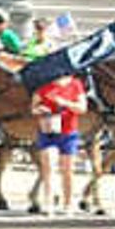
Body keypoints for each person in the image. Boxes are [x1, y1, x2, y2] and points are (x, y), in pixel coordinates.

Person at [32, 62, 87, 214]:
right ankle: (48, 202)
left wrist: (65, 103)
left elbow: (82, 108)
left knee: (68, 169)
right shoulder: (44, 87)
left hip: (68, 131)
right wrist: (40, 109)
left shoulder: (75, 84)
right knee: (48, 166)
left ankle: (68, 203)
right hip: (48, 130)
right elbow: (34, 107)